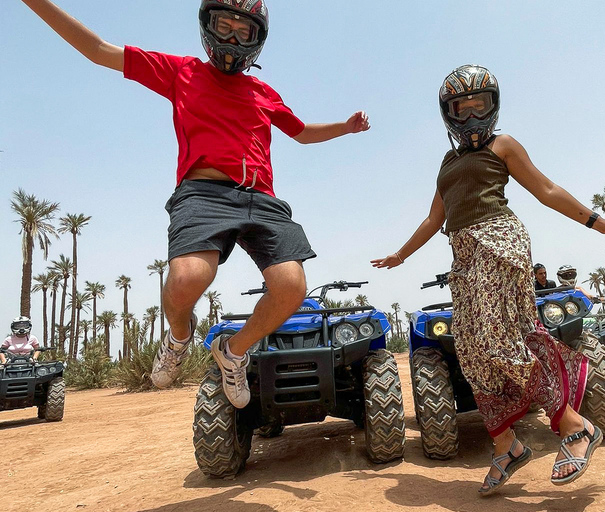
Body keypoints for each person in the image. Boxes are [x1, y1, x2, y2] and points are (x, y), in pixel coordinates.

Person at [21, 0, 370, 408]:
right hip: (203, 194)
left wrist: (345, 128)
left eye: (244, 31)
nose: (233, 39)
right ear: (207, 27)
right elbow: (98, 49)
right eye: (225, 26)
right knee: (187, 278)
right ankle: (179, 336)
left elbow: (301, 132)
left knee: (292, 287)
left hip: (261, 197)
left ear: (258, 39)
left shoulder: (263, 91)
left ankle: (234, 352)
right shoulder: (181, 72)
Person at [372, 65, 605, 493]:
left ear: (492, 107)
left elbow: (546, 189)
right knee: (471, 349)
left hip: (499, 240)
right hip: (463, 255)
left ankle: (574, 426)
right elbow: (433, 219)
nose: (469, 116)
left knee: (500, 338)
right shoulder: (448, 161)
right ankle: (507, 446)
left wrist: (599, 223)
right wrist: (400, 254)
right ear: (448, 113)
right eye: (459, 108)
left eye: (477, 105)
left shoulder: (503, 144)